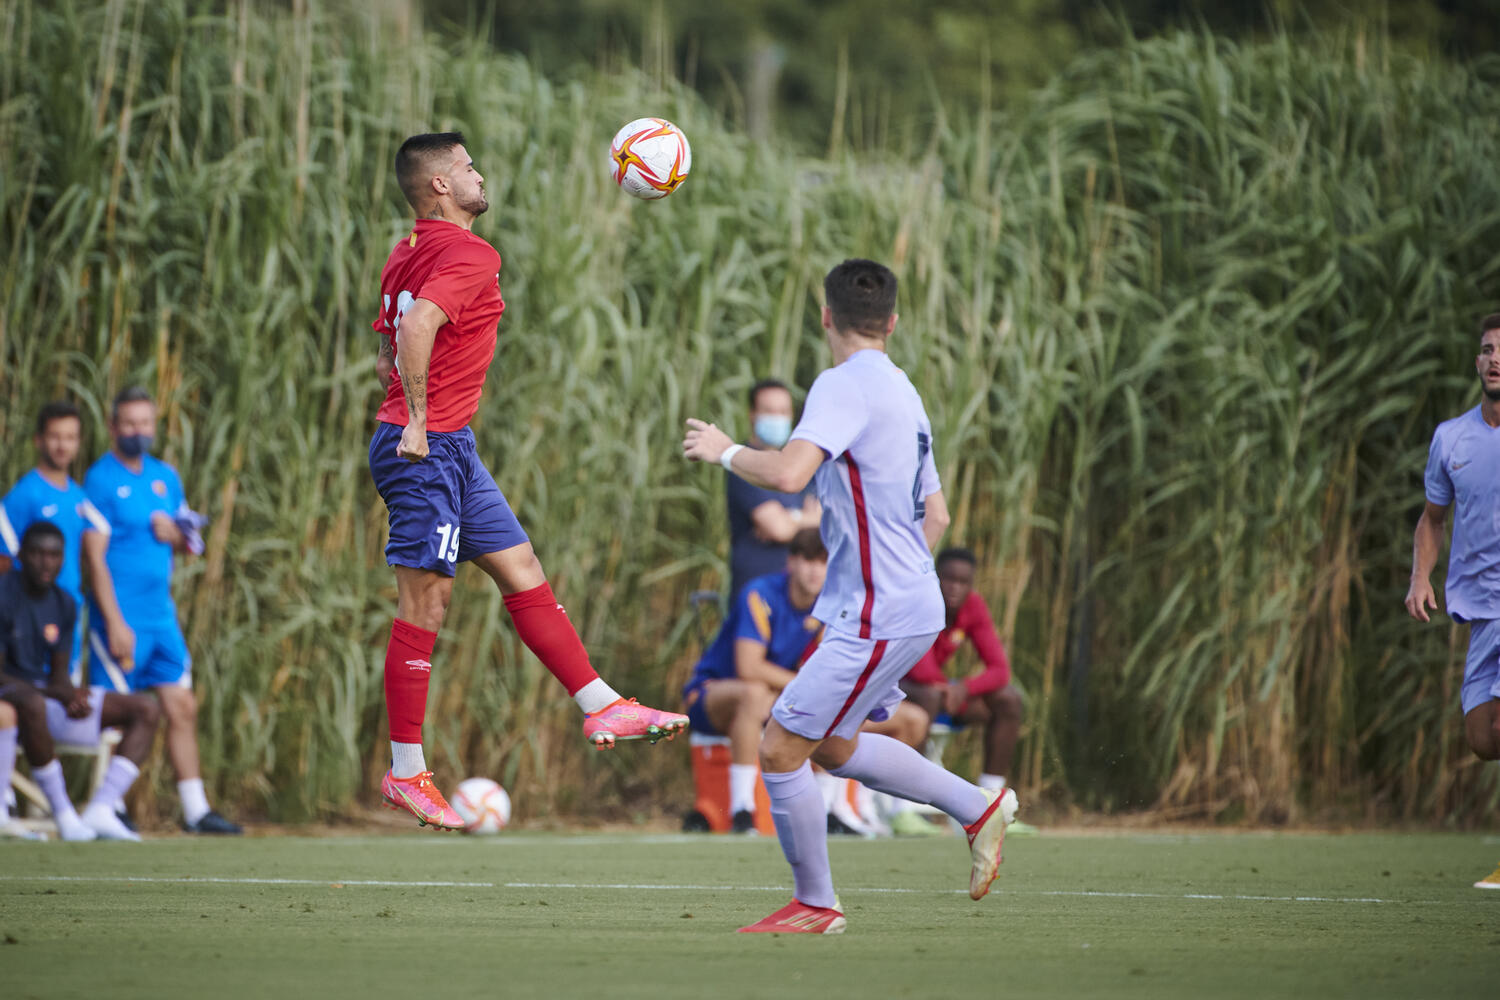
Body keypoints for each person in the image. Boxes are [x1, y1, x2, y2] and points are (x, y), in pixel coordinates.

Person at [684, 258, 1016, 934]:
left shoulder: (842, 385)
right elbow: (938, 516)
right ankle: (977, 806)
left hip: (877, 612)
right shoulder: (905, 392)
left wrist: (724, 450)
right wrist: (900, 581)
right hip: (907, 605)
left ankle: (817, 904)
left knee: (781, 747)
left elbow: (788, 473)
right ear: (892, 323)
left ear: (826, 317)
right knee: (832, 746)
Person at [368, 131, 687, 830]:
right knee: (426, 604)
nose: (480, 176)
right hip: (426, 448)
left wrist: (423, 415)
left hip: (451, 445)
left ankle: (602, 704)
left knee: (522, 568)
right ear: (441, 185)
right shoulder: (470, 252)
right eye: (468, 167)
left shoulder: (408, 250)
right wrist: (416, 421)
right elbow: (415, 328)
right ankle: (405, 772)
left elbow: (393, 342)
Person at [682, 527, 928, 834]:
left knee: (911, 719)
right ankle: (742, 811)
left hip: (776, 698)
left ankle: (850, 810)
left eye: (824, 562)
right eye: (809, 560)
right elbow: (749, 668)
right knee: (756, 694)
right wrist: (806, 687)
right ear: (791, 562)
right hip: (711, 694)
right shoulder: (759, 594)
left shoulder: (833, 604)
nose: (816, 570)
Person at [85, 387, 241, 834]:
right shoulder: (100, 479)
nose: (138, 431)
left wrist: (175, 534)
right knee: (119, 714)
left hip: (161, 616)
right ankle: (108, 807)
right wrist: (114, 621)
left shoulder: (164, 477)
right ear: (113, 427)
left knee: (182, 705)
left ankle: (196, 810)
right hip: (122, 616)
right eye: (129, 424)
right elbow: (93, 557)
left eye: (145, 423)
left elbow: (192, 540)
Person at [1405, 311, 1500, 891]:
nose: (1496, 359)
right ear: (1477, 361)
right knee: (1483, 740)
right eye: (1488, 349)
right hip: (1481, 612)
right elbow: (1432, 520)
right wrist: (1421, 578)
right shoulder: (1451, 438)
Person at [0, 522, 159, 841]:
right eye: (38, 554)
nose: (46, 563)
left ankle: (101, 809)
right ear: (21, 556)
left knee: (146, 708)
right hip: (15, 698)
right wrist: (54, 693)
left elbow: (58, 673)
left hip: (41, 697)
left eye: (54, 555)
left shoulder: (64, 603)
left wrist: (69, 695)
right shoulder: (4, 594)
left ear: (64, 559)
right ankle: (63, 815)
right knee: (29, 704)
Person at [0, 400, 135, 684]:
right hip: (30, 623)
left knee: (66, 697)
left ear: (78, 443)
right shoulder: (24, 495)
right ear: (39, 440)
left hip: (69, 617)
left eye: (70, 437)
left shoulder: (79, 497)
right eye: (55, 436)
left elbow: (96, 553)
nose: (62, 446)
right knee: (33, 699)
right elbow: (4, 562)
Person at [903, 547, 1024, 797]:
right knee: (930, 696)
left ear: (971, 584)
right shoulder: (919, 602)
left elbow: (1000, 670)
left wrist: (964, 689)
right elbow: (921, 670)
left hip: (940, 691)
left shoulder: (973, 606)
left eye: (963, 582)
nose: (954, 588)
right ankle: (906, 799)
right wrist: (956, 695)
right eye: (948, 579)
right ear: (935, 578)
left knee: (1009, 698)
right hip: (899, 685)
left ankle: (991, 796)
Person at [725, 379, 821, 602]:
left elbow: (828, 519)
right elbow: (778, 528)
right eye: (769, 411)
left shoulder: (799, 465)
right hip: (754, 595)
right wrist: (809, 518)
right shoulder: (742, 462)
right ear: (752, 414)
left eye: (783, 412)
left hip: (797, 598)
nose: (777, 418)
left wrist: (792, 519)